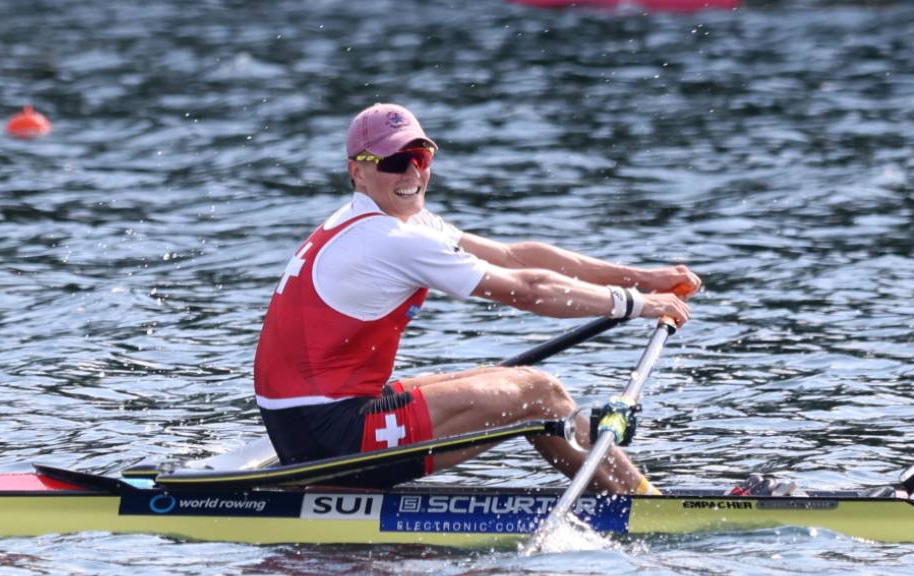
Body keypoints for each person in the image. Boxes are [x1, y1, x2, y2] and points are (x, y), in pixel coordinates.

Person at [253, 103, 700, 493]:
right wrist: (635, 304)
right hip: (328, 434)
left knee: (507, 381)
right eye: (393, 161)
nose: (412, 172)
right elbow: (528, 290)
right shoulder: (387, 238)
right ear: (358, 171)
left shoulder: (390, 220)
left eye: (420, 156)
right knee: (536, 392)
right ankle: (646, 506)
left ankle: (625, 492)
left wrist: (642, 278)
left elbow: (514, 255)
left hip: (308, 420)